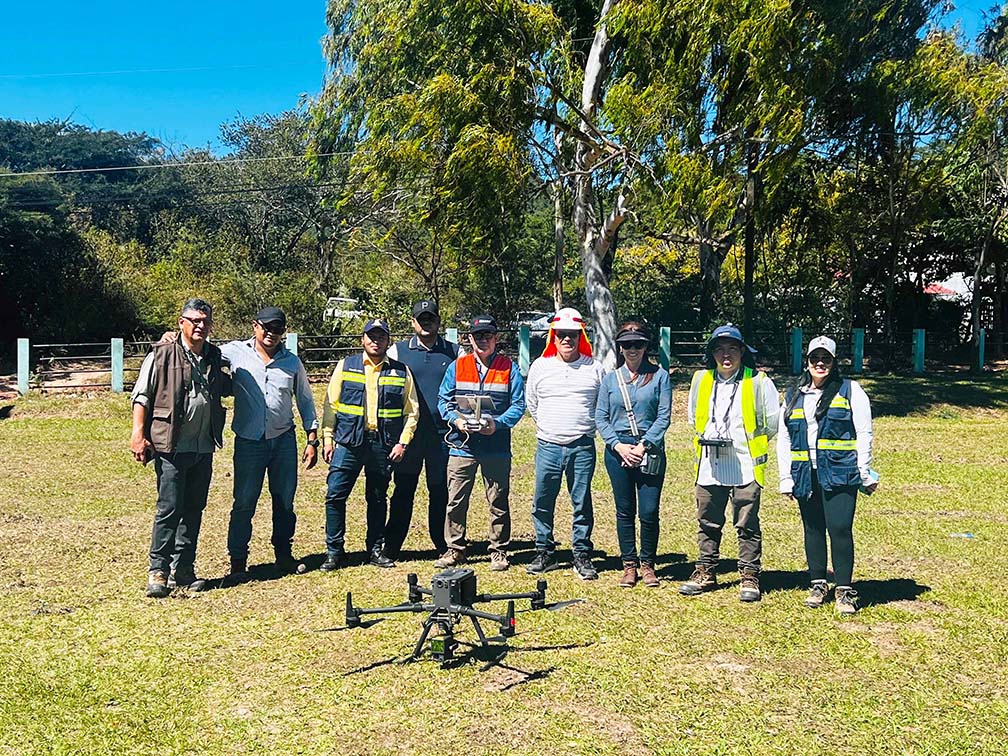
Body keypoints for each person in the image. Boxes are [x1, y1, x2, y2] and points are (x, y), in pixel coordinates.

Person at [130, 298, 230, 598]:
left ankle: (184, 569)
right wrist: (138, 434)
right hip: (170, 446)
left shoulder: (214, 355)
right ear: (181, 322)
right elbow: (142, 396)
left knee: (194, 509)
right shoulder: (161, 354)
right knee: (169, 508)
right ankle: (158, 571)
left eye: (205, 321)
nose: (200, 326)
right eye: (195, 320)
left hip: (203, 447)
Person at [680, 323, 779, 602]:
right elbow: (692, 417)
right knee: (707, 520)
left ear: (742, 352)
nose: (726, 355)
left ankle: (749, 575)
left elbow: (772, 423)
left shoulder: (758, 381)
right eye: (720, 349)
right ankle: (706, 571)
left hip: (745, 465)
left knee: (747, 522)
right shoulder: (701, 379)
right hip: (709, 464)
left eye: (732, 349)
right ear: (711, 353)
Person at [778, 336, 876, 615]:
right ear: (807, 362)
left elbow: (864, 432)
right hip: (804, 472)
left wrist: (864, 471)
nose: (820, 364)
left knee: (840, 528)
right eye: (814, 359)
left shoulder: (850, 390)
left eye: (826, 359)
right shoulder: (793, 393)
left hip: (840, 470)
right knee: (812, 529)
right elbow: (784, 437)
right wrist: (786, 476)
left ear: (834, 362)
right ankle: (818, 583)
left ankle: (844, 589)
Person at [219, 306, 318, 581]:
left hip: (283, 439)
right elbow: (202, 350)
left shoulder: (291, 362)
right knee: (244, 502)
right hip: (249, 441)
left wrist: (312, 439)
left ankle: (283, 555)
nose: (271, 333)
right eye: (266, 327)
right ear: (255, 326)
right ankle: (238, 560)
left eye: (277, 329)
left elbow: (306, 401)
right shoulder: (235, 352)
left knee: (284, 501)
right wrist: (171, 338)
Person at [320, 318, 420, 569]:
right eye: (371, 336)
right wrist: (328, 439)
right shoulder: (346, 366)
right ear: (363, 339)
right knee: (335, 496)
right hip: (349, 442)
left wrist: (403, 443)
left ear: (389, 341)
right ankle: (334, 552)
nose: (376, 341)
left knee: (377, 499)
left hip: (383, 444)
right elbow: (330, 405)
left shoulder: (400, 370)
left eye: (381, 337)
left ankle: (375, 550)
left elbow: (412, 411)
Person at [435, 315, 525, 571]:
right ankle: (455, 549)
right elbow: (444, 401)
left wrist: (497, 424)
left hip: (495, 446)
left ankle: (498, 550)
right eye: (478, 336)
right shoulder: (457, 366)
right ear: (469, 339)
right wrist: (457, 421)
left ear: (496, 338)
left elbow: (518, 405)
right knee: (455, 500)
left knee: (498, 499)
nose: (483, 340)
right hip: (461, 444)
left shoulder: (510, 367)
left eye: (488, 335)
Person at [525, 307, 607, 579]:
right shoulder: (540, 366)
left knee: (581, 501)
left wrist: (582, 427)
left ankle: (581, 554)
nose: (567, 340)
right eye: (561, 334)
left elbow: (602, 405)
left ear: (580, 335)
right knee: (542, 500)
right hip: (548, 445)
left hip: (581, 445)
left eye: (572, 334)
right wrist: (550, 425)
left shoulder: (594, 368)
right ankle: (544, 551)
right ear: (553, 336)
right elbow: (532, 403)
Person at [595, 322, 672, 588]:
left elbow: (664, 417)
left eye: (638, 344)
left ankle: (648, 564)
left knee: (649, 511)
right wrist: (618, 445)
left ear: (646, 346)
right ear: (619, 347)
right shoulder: (610, 379)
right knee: (624, 510)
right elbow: (600, 417)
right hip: (618, 451)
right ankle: (629, 565)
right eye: (627, 344)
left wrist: (643, 446)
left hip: (648, 450)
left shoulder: (660, 376)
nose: (632, 349)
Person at [385, 299, 461, 557]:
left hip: (444, 436)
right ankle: (392, 545)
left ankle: (443, 544)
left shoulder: (455, 352)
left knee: (440, 489)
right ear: (413, 322)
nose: (426, 322)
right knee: (403, 488)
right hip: (410, 435)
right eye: (421, 318)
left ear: (439, 321)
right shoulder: (397, 352)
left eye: (431, 318)